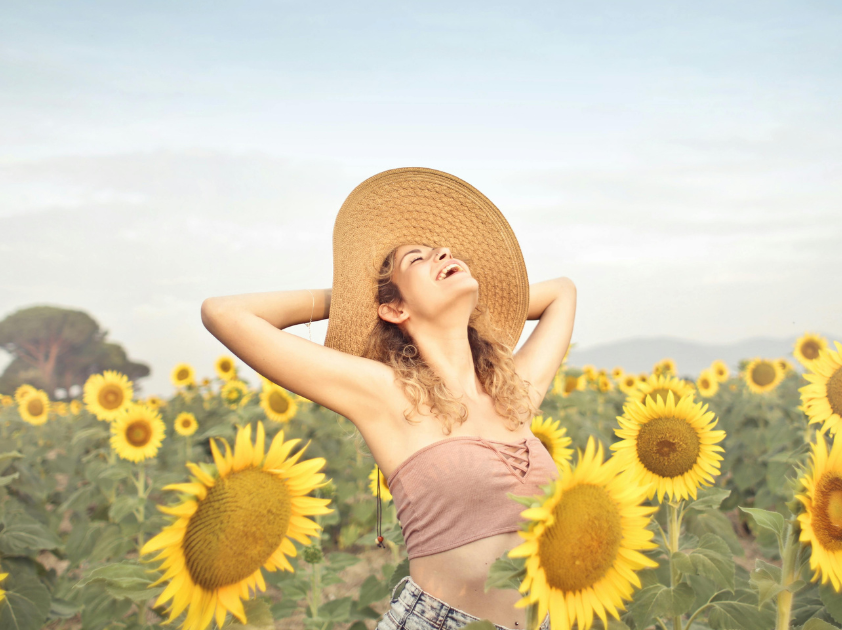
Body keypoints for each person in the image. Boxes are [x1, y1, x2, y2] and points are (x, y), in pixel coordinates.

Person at [201, 167, 575, 630]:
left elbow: (563, 292)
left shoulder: (511, 392)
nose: (443, 253)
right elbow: (224, 313)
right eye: (418, 259)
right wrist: (356, 299)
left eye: (448, 254)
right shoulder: (385, 393)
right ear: (394, 308)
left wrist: (482, 298)